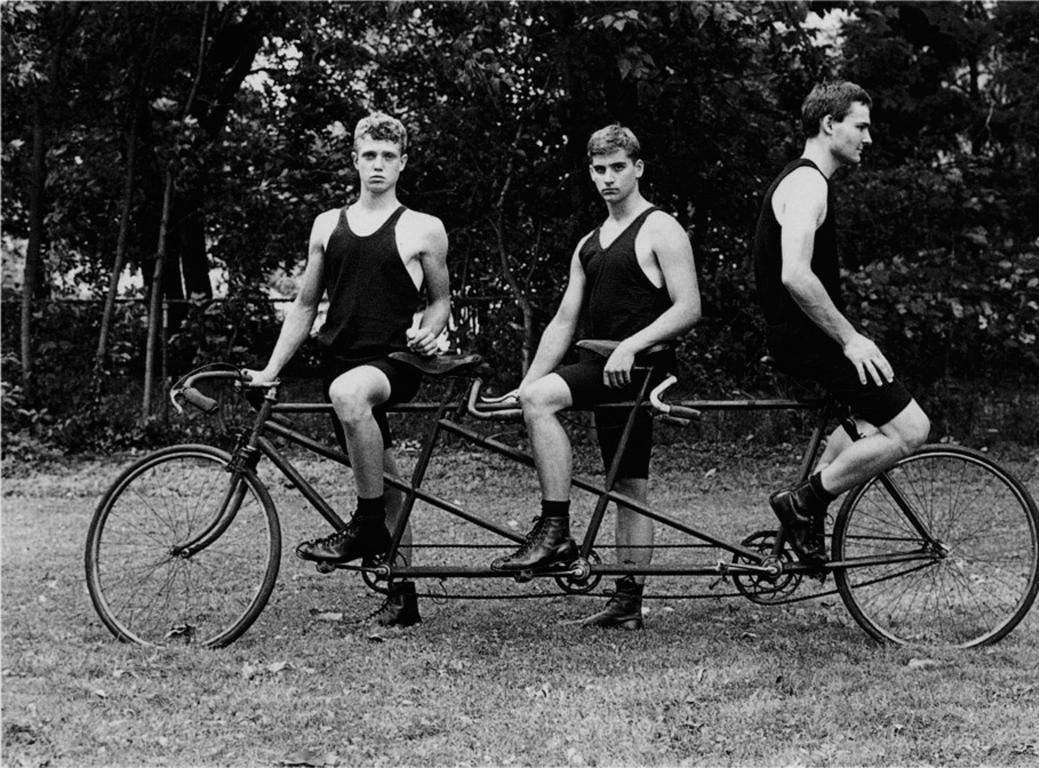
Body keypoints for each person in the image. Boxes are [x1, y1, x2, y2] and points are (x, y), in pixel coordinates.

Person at [490, 125, 701, 630]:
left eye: (617, 168)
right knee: (624, 483)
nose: (608, 179)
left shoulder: (660, 228)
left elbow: (689, 307)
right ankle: (626, 607)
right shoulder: (589, 242)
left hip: (641, 370)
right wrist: (527, 380)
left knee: (554, 414)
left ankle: (555, 528)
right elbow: (564, 321)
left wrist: (632, 344)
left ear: (638, 168)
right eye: (599, 169)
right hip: (601, 367)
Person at [247, 112, 450, 627]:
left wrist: (430, 328)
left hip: (393, 363)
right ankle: (403, 597)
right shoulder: (326, 225)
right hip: (339, 362)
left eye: (388, 156)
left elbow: (441, 301)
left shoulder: (422, 228)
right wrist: (271, 368)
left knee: (351, 396)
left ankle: (364, 527)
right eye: (369, 156)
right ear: (354, 160)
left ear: (403, 163)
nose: (377, 165)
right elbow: (304, 305)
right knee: (389, 479)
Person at [753, 82, 930, 564]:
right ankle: (804, 503)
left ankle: (807, 512)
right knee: (912, 428)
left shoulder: (802, 180)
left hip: (799, 337)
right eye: (861, 126)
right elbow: (795, 274)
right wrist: (850, 338)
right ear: (829, 125)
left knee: (874, 420)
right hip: (808, 340)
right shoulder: (808, 183)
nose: (868, 138)